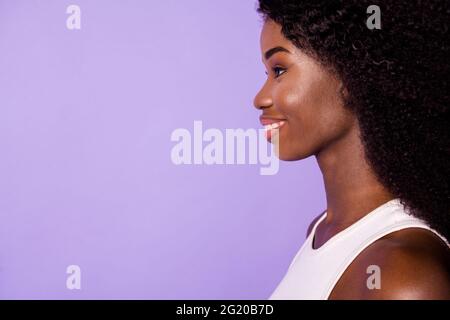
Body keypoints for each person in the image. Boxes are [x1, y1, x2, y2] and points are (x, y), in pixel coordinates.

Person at [253, 0, 450, 299]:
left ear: (349, 75)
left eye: (279, 70)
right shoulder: (322, 231)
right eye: (266, 73)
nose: (260, 98)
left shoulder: (402, 275)